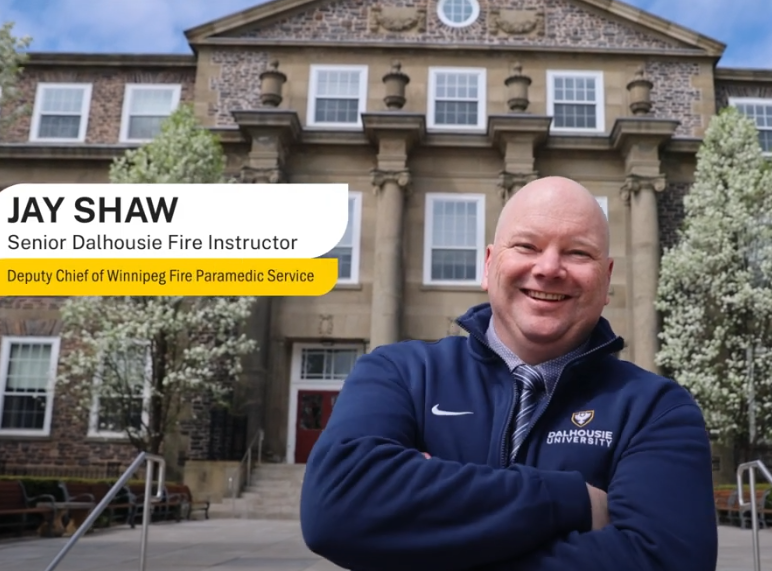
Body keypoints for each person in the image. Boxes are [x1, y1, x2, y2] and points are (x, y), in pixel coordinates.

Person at [299, 176, 718, 571]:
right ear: (488, 265)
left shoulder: (656, 409)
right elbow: (336, 505)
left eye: (578, 252)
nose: (550, 268)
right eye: (527, 246)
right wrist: (571, 500)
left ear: (606, 280)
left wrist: (421, 538)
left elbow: (665, 561)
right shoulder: (400, 373)